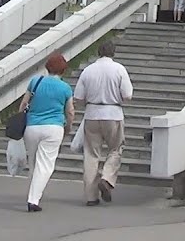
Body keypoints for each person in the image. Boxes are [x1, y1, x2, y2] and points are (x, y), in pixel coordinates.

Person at [73, 41, 133, 207]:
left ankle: (91, 197)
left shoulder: (88, 70)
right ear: (113, 52)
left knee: (91, 155)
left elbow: (78, 97)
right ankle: (106, 178)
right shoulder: (119, 69)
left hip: (92, 114)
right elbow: (127, 95)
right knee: (115, 149)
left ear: (99, 52)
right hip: (113, 113)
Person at [20, 53, 74, 212]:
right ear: (63, 70)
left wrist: (21, 121)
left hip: (32, 127)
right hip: (53, 128)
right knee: (45, 165)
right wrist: (68, 127)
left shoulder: (35, 81)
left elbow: (24, 103)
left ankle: (33, 193)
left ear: (47, 67)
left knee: (33, 163)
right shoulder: (65, 88)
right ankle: (33, 199)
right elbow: (70, 111)